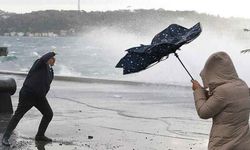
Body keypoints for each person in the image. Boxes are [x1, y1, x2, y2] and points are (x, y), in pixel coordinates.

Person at [191, 51, 250, 150]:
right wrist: (209, 96)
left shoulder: (222, 91)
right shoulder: (242, 85)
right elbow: (229, 104)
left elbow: (203, 113)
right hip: (243, 143)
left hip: (224, 144)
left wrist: (198, 91)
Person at [2, 52, 56, 146]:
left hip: (39, 97)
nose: (54, 60)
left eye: (54, 59)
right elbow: (44, 58)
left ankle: (40, 135)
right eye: (52, 58)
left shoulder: (50, 71)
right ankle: (5, 137)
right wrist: (52, 52)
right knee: (18, 116)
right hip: (28, 95)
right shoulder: (39, 63)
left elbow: (46, 84)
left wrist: (43, 93)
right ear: (48, 58)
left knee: (48, 114)